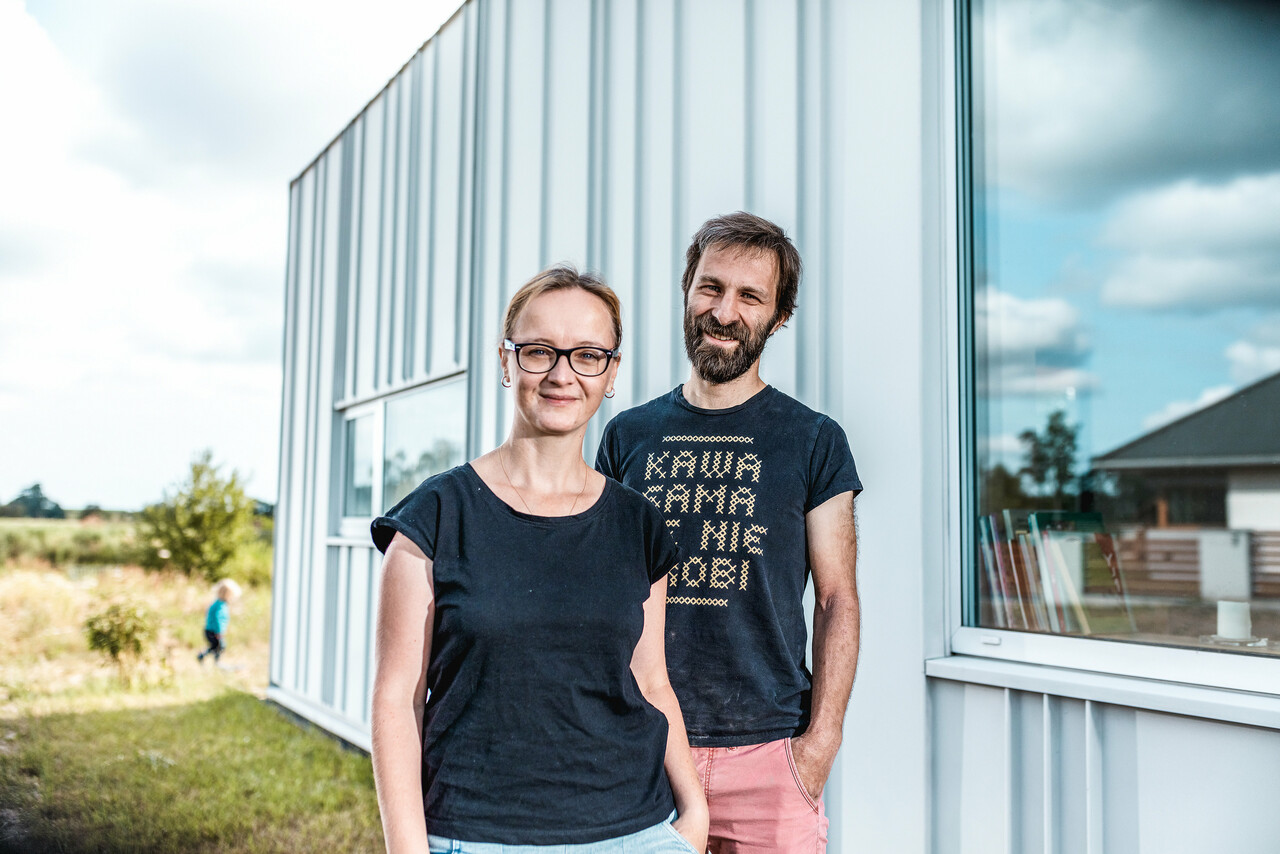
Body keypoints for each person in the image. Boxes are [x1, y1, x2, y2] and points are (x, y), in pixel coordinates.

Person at [369, 265, 709, 854]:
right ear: (507, 362)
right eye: (539, 351)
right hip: (478, 836)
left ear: (611, 373)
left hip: (638, 834)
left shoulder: (638, 524)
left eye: (588, 355)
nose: (561, 374)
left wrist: (695, 811)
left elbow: (652, 680)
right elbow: (397, 699)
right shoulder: (435, 517)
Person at [596, 212, 863, 853]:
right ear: (687, 291)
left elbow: (837, 600)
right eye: (711, 288)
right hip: (646, 748)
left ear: (779, 316)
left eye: (750, 296)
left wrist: (818, 748)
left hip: (770, 754)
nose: (724, 312)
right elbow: (597, 590)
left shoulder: (814, 441)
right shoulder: (626, 435)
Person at [198, 578, 242, 664]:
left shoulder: (219, 603)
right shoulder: (220, 605)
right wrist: (219, 632)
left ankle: (205, 657)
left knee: (216, 646)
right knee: (220, 646)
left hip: (211, 630)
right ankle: (216, 661)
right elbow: (218, 619)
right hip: (214, 631)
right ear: (227, 594)